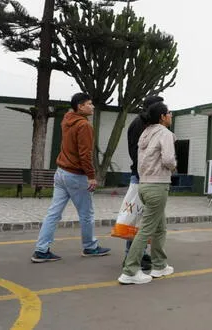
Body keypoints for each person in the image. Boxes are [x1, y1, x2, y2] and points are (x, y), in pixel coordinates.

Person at [31, 93, 111, 263]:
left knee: (53, 213)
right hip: (76, 176)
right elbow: (85, 154)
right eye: (90, 104)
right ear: (80, 106)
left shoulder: (67, 119)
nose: (93, 106)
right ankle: (90, 247)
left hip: (60, 173)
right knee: (87, 214)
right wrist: (91, 176)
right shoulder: (84, 126)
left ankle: (41, 249)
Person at [118, 102, 176, 284]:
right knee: (146, 230)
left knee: (160, 228)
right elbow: (167, 159)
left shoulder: (145, 132)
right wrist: (174, 165)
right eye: (169, 112)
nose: (171, 115)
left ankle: (159, 265)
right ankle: (129, 271)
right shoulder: (165, 133)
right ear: (162, 116)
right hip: (158, 185)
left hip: (144, 184)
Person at [124, 95, 164, 271]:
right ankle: (131, 257)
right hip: (142, 176)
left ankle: (140, 253)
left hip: (143, 175)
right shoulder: (140, 125)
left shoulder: (145, 124)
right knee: (138, 218)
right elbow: (137, 152)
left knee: (145, 219)